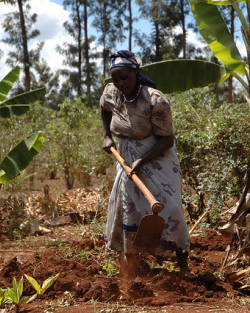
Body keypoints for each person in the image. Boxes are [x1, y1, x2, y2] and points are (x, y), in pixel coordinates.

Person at [100, 50, 190, 274]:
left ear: (136, 73)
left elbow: (167, 139)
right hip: (127, 159)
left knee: (170, 209)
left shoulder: (154, 99)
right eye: (116, 79)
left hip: (157, 156)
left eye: (125, 77)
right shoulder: (111, 93)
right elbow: (104, 109)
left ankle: (183, 266)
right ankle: (132, 265)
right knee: (129, 208)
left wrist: (141, 160)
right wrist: (107, 135)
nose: (120, 83)